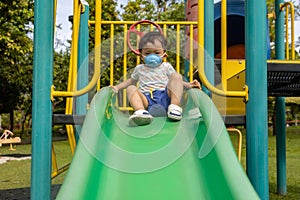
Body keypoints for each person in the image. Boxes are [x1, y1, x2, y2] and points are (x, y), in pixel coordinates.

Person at [111, 31, 200, 126]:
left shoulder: (166, 66)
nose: (152, 56)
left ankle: (174, 107)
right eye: (148, 53)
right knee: (131, 88)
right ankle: (141, 112)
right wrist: (117, 87)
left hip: (165, 97)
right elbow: (131, 81)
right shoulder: (139, 69)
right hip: (146, 100)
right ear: (141, 55)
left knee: (176, 76)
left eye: (157, 53)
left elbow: (176, 82)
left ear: (164, 55)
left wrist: (188, 85)